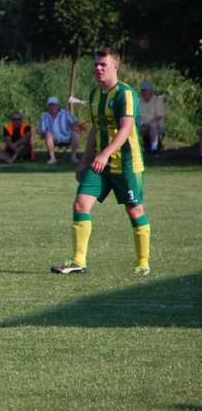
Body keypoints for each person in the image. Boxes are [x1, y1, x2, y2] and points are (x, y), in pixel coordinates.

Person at [52, 48, 152, 276]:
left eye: (103, 64)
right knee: (80, 203)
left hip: (126, 164)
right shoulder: (95, 95)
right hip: (100, 163)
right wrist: (84, 161)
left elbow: (126, 128)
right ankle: (78, 261)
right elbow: (95, 130)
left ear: (115, 66)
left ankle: (143, 262)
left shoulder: (125, 94)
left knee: (134, 209)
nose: (98, 68)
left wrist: (105, 153)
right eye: (96, 64)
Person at [38, 96, 79, 164]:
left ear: (58, 105)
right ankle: (52, 158)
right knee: (48, 134)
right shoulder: (44, 116)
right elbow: (42, 129)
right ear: (48, 106)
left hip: (66, 136)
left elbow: (74, 122)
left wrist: (75, 127)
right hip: (53, 138)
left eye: (54, 105)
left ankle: (73, 157)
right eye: (50, 105)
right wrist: (41, 132)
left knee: (75, 133)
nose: (52, 107)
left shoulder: (65, 113)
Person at [138, 81, 166, 155]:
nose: (144, 94)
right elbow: (137, 115)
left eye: (145, 92)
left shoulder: (158, 100)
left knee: (153, 125)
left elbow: (159, 116)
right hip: (142, 125)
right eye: (142, 92)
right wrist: (141, 124)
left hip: (156, 125)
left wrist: (147, 125)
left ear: (150, 92)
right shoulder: (139, 101)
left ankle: (154, 149)